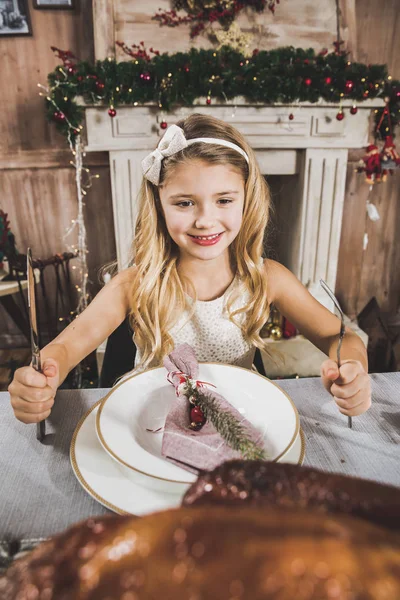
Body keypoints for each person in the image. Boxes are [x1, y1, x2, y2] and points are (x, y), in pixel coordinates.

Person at [9, 114, 371, 424]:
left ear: (247, 200)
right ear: (160, 205)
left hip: (240, 421)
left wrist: (352, 369)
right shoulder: (133, 285)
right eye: (184, 203)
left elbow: (343, 339)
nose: (205, 220)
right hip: (149, 423)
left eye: (224, 200)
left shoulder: (268, 278)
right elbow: (66, 347)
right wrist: (44, 376)